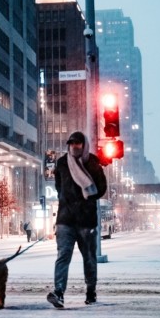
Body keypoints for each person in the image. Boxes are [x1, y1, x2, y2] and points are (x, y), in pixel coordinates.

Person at [47, 131, 107, 309]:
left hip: (86, 220)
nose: (74, 146)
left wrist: (85, 199)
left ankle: (91, 291)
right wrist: (67, 200)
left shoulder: (93, 163)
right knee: (63, 255)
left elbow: (101, 188)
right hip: (65, 219)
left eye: (78, 143)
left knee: (89, 257)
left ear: (84, 145)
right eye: (71, 143)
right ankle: (59, 292)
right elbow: (59, 187)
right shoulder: (62, 163)